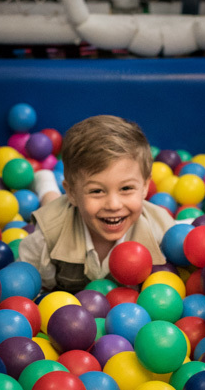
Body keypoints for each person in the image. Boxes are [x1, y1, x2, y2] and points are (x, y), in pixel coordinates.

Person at [17, 115, 175, 293]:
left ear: (145, 187)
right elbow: (25, 284)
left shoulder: (163, 231)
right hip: (63, 215)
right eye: (97, 191)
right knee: (53, 207)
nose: (114, 205)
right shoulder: (47, 237)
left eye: (126, 188)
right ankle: (45, 184)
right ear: (72, 192)